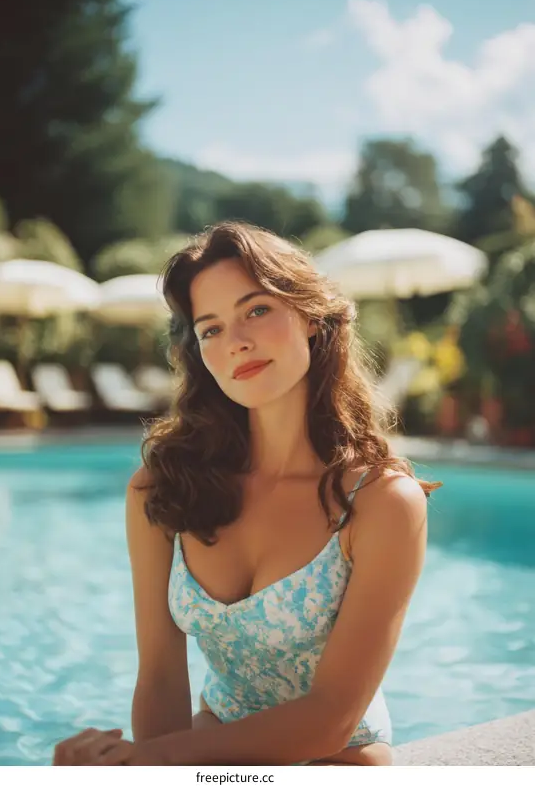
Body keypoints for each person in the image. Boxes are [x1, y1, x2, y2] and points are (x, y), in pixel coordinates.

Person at [53, 221, 441, 766]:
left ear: (309, 316)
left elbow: (329, 718)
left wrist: (148, 763)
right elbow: (162, 679)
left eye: (256, 309)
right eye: (210, 329)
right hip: (210, 747)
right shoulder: (163, 489)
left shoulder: (380, 503)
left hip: (337, 761)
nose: (236, 341)